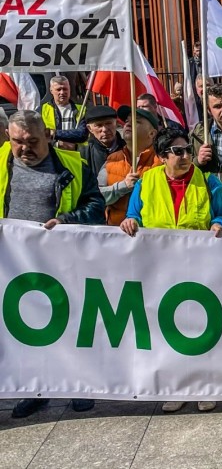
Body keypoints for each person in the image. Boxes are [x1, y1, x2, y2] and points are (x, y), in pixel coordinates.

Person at [2, 110, 105, 418]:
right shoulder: (0, 163)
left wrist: (65, 220)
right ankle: (38, 389)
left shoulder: (75, 165)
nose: (24, 148)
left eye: (32, 141)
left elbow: (95, 206)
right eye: (17, 141)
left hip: (63, 261)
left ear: (47, 135)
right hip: (15, 264)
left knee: (72, 324)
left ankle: (79, 385)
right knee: (29, 330)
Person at [120, 127, 222, 413]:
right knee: (170, 329)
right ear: (161, 156)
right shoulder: (147, 181)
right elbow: (134, 213)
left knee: (203, 327)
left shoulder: (209, 181)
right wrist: (129, 222)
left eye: (187, 151)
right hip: (162, 270)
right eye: (177, 152)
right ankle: (176, 386)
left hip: (202, 268)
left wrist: (219, 223)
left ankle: (206, 385)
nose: (185, 156)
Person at [98, 106, 162, 226]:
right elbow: (96, 198)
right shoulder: (112, 160)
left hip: (151, 235)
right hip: (116, 235)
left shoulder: (162, 162)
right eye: (127, 121)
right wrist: (123, 186)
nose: (128, 124)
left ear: (152, 133)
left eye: (136, 121)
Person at [77, 106, 126, 177]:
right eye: (99, 125)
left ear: (116, 123)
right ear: (90, 128)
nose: (105, 129)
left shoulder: (129, 147)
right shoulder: (83, 152)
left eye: (109, 123)